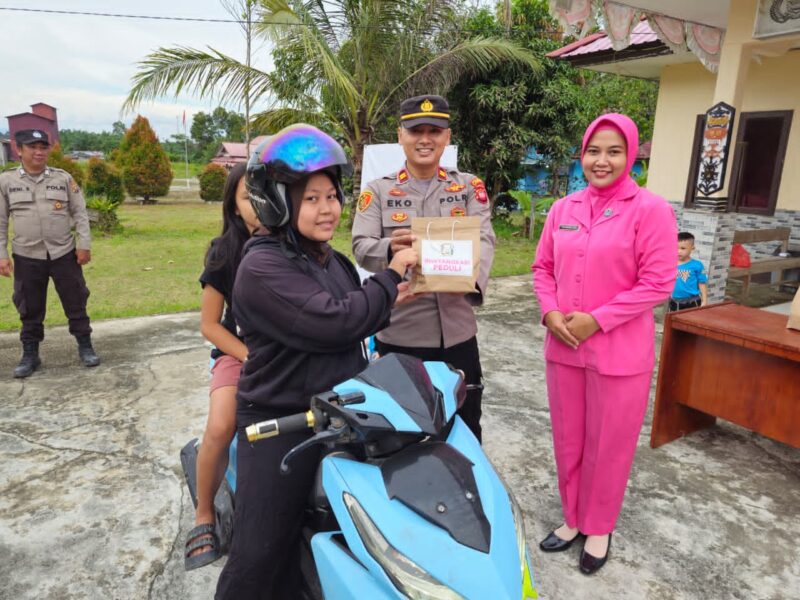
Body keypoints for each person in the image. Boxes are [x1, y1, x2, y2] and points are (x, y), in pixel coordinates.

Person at [215, 124, 418, 599]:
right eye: (311, 199)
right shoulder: (261, 266)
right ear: (278, 202)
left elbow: (354, 313)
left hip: (337, 414)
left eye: (331, 197)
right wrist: (390, 277)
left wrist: (389, 298)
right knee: (259, 552)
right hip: (279, 422)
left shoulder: (331, 260)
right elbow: (336, 322)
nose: (327, 209)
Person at [532, 113, 676, 575]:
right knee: (569, 439)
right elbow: (542, 269)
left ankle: (598, 526)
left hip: (620, 354)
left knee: (608, 445)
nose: (602, 160)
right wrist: (550, 311)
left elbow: (658, 283)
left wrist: (598, 320)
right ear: (582, 155)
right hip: (564, 348)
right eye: (593, 151)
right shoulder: (563, 209)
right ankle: (572, 518)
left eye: (614, 151)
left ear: (631, 156)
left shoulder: (651, 210)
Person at [352, 94, 495, 442]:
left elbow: (485, 239)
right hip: (400, 334)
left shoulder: (468, 187)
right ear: (400, 135)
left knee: (465, 430)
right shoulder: (378, 191)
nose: (425, 139)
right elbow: (361, 246)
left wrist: (470, 281)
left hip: (457, 334)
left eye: (435, 131)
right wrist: (391, 248)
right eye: (416, 131)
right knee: (399, 435)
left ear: (447, 137)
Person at [184, 163, 259, 570]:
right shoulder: (225, 251)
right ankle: (203, 514)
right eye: (249, 197)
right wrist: (249, 356)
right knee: (220, 425)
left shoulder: (295, 242)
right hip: (239, 351)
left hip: (289, 353)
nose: (259, 204)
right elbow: (210, 325)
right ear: (232, 204)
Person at [0, 129, 99, 378]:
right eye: (32, 147)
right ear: (19, 150)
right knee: (29, 306)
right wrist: (1, 254)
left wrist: (84, 244)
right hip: (26, 255)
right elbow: (0, 221)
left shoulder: (62, 178)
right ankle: (30, 354)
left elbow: (80, 213)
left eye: (43, 147)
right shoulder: (6, 181)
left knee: (76, 300)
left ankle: (85, 346)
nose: (39, 152)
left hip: (63, 253)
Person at [670, 231, 708, 311]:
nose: (678, 251)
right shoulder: (670, 263)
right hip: (674, 301)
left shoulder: (697, 265)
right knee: (674, 319)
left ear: (692, 248)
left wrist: (704, 301)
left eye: (683, 248)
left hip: (692, 302)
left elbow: (702, 283)